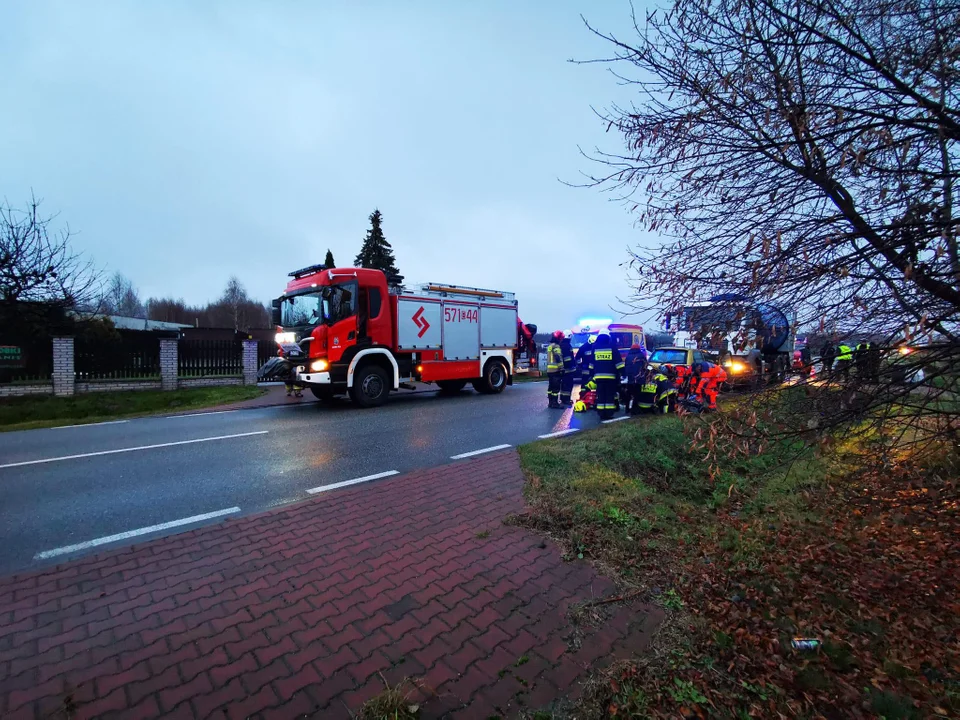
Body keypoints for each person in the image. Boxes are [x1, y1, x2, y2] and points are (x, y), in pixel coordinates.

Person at [587, 333, 624, 420]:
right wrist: (622, 372)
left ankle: (601, 413)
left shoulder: (595, 347)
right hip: (610, 377)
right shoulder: (612, 346)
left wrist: (591, 374)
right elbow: (618, 362)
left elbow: (592, 363)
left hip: (598, 377)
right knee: (609, 396)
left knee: (600, 395)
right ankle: (608, 413)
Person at [622, 343, 648, 414]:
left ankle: (627, 408)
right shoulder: (641, 356)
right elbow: (645, 366)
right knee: (637, 394)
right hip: (639, 379)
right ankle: (635, 409)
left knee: (629, 394)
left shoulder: (628, 357)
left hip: (630, 379)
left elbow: (626, 367)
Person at [546, 330, 564, 409]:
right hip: (555, 370)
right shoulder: (556, 346)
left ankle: (550, 402)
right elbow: (558, 357)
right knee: (556, 388)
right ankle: (555, 403)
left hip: (549, 370)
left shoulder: (550, 346)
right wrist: (561, 368)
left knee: (550, 387)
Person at [559, 333, 576, 407]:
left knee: (563, 385)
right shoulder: (568, 346)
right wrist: (571, 366)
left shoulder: (561, 345)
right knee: (568, 385)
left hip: (562, 369)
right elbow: (568, 358)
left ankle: (563, 398)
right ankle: (566, 399)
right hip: (568, 369)